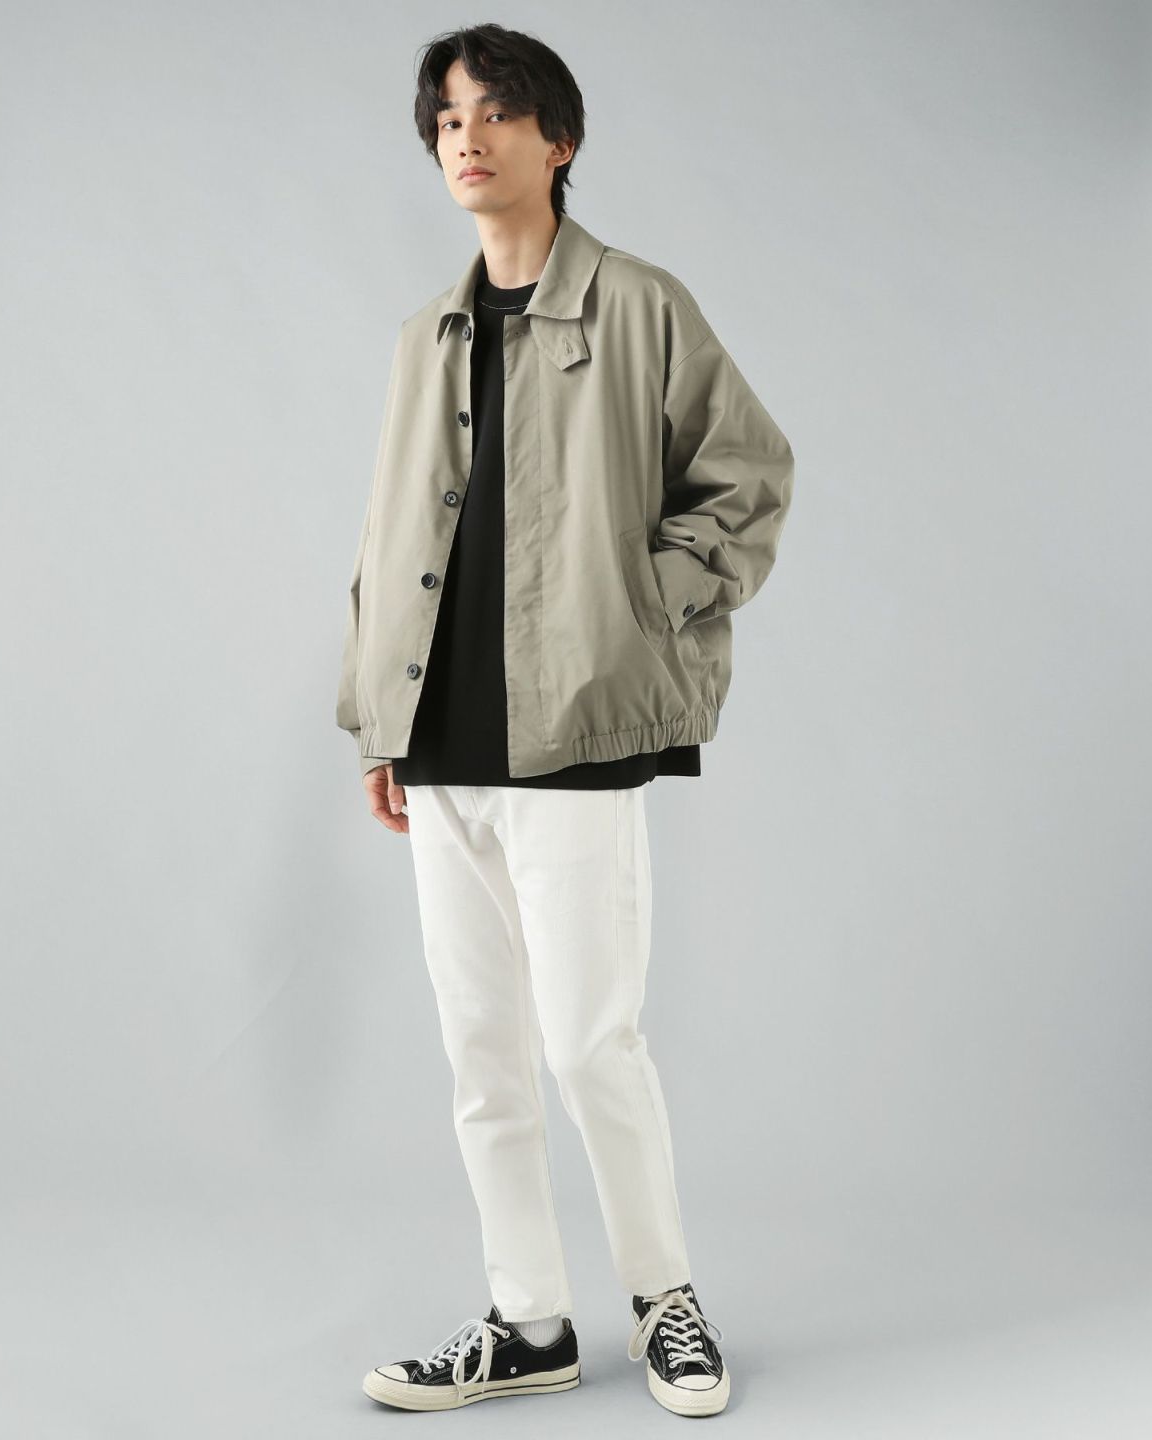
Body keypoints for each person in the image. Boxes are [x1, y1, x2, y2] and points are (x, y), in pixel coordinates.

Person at [337, 22, 794, 1417]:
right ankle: (529, 1322)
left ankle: (665, 1300)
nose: (465, 138)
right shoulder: (426, 335)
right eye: (446, 119)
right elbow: (388, 528)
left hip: (576, 734)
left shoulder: (641, 305)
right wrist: (376, 717)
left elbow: (748, 475)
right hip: (442, 743)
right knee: (482, 1056)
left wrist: (645, 607)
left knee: (592, 1042)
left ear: (561, 140)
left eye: (495, 112)